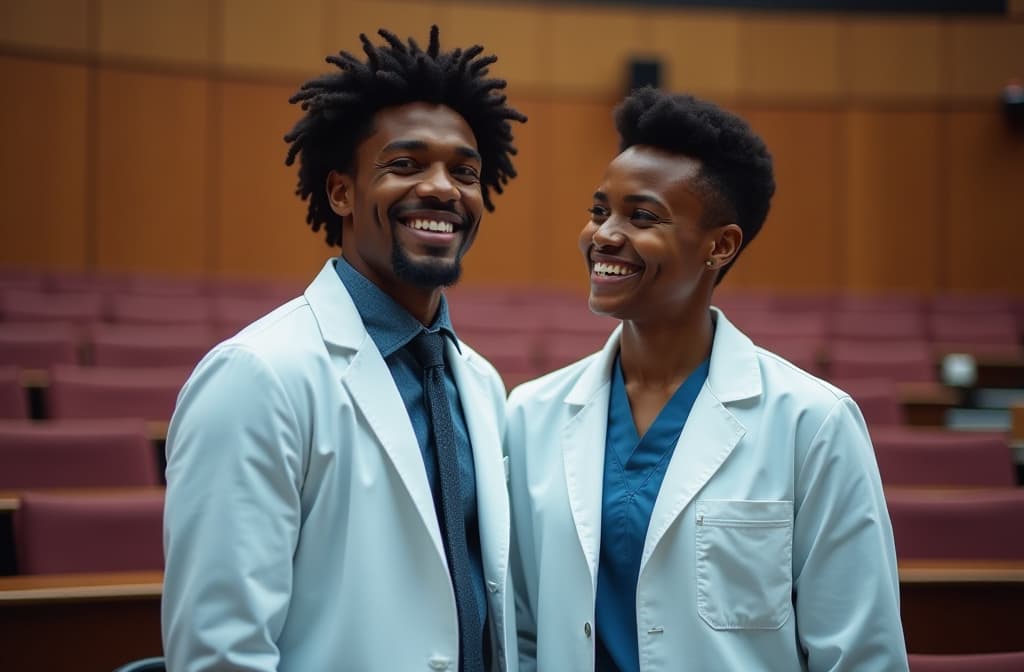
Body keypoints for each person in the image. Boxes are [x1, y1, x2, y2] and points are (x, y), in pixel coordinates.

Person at [162, 26, 526, 672]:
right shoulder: (257, 378)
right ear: (340, 192)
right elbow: (221, 655)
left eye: (465, 172)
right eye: (406, 164)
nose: (443, 188)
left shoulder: (482, 385)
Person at [506, 87, 907, 671]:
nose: (604, 235)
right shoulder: (530, 414)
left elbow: (860, 652)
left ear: (720, 246)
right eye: (599, 211)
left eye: (641, 216)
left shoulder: (812, 421)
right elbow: (520, 632)